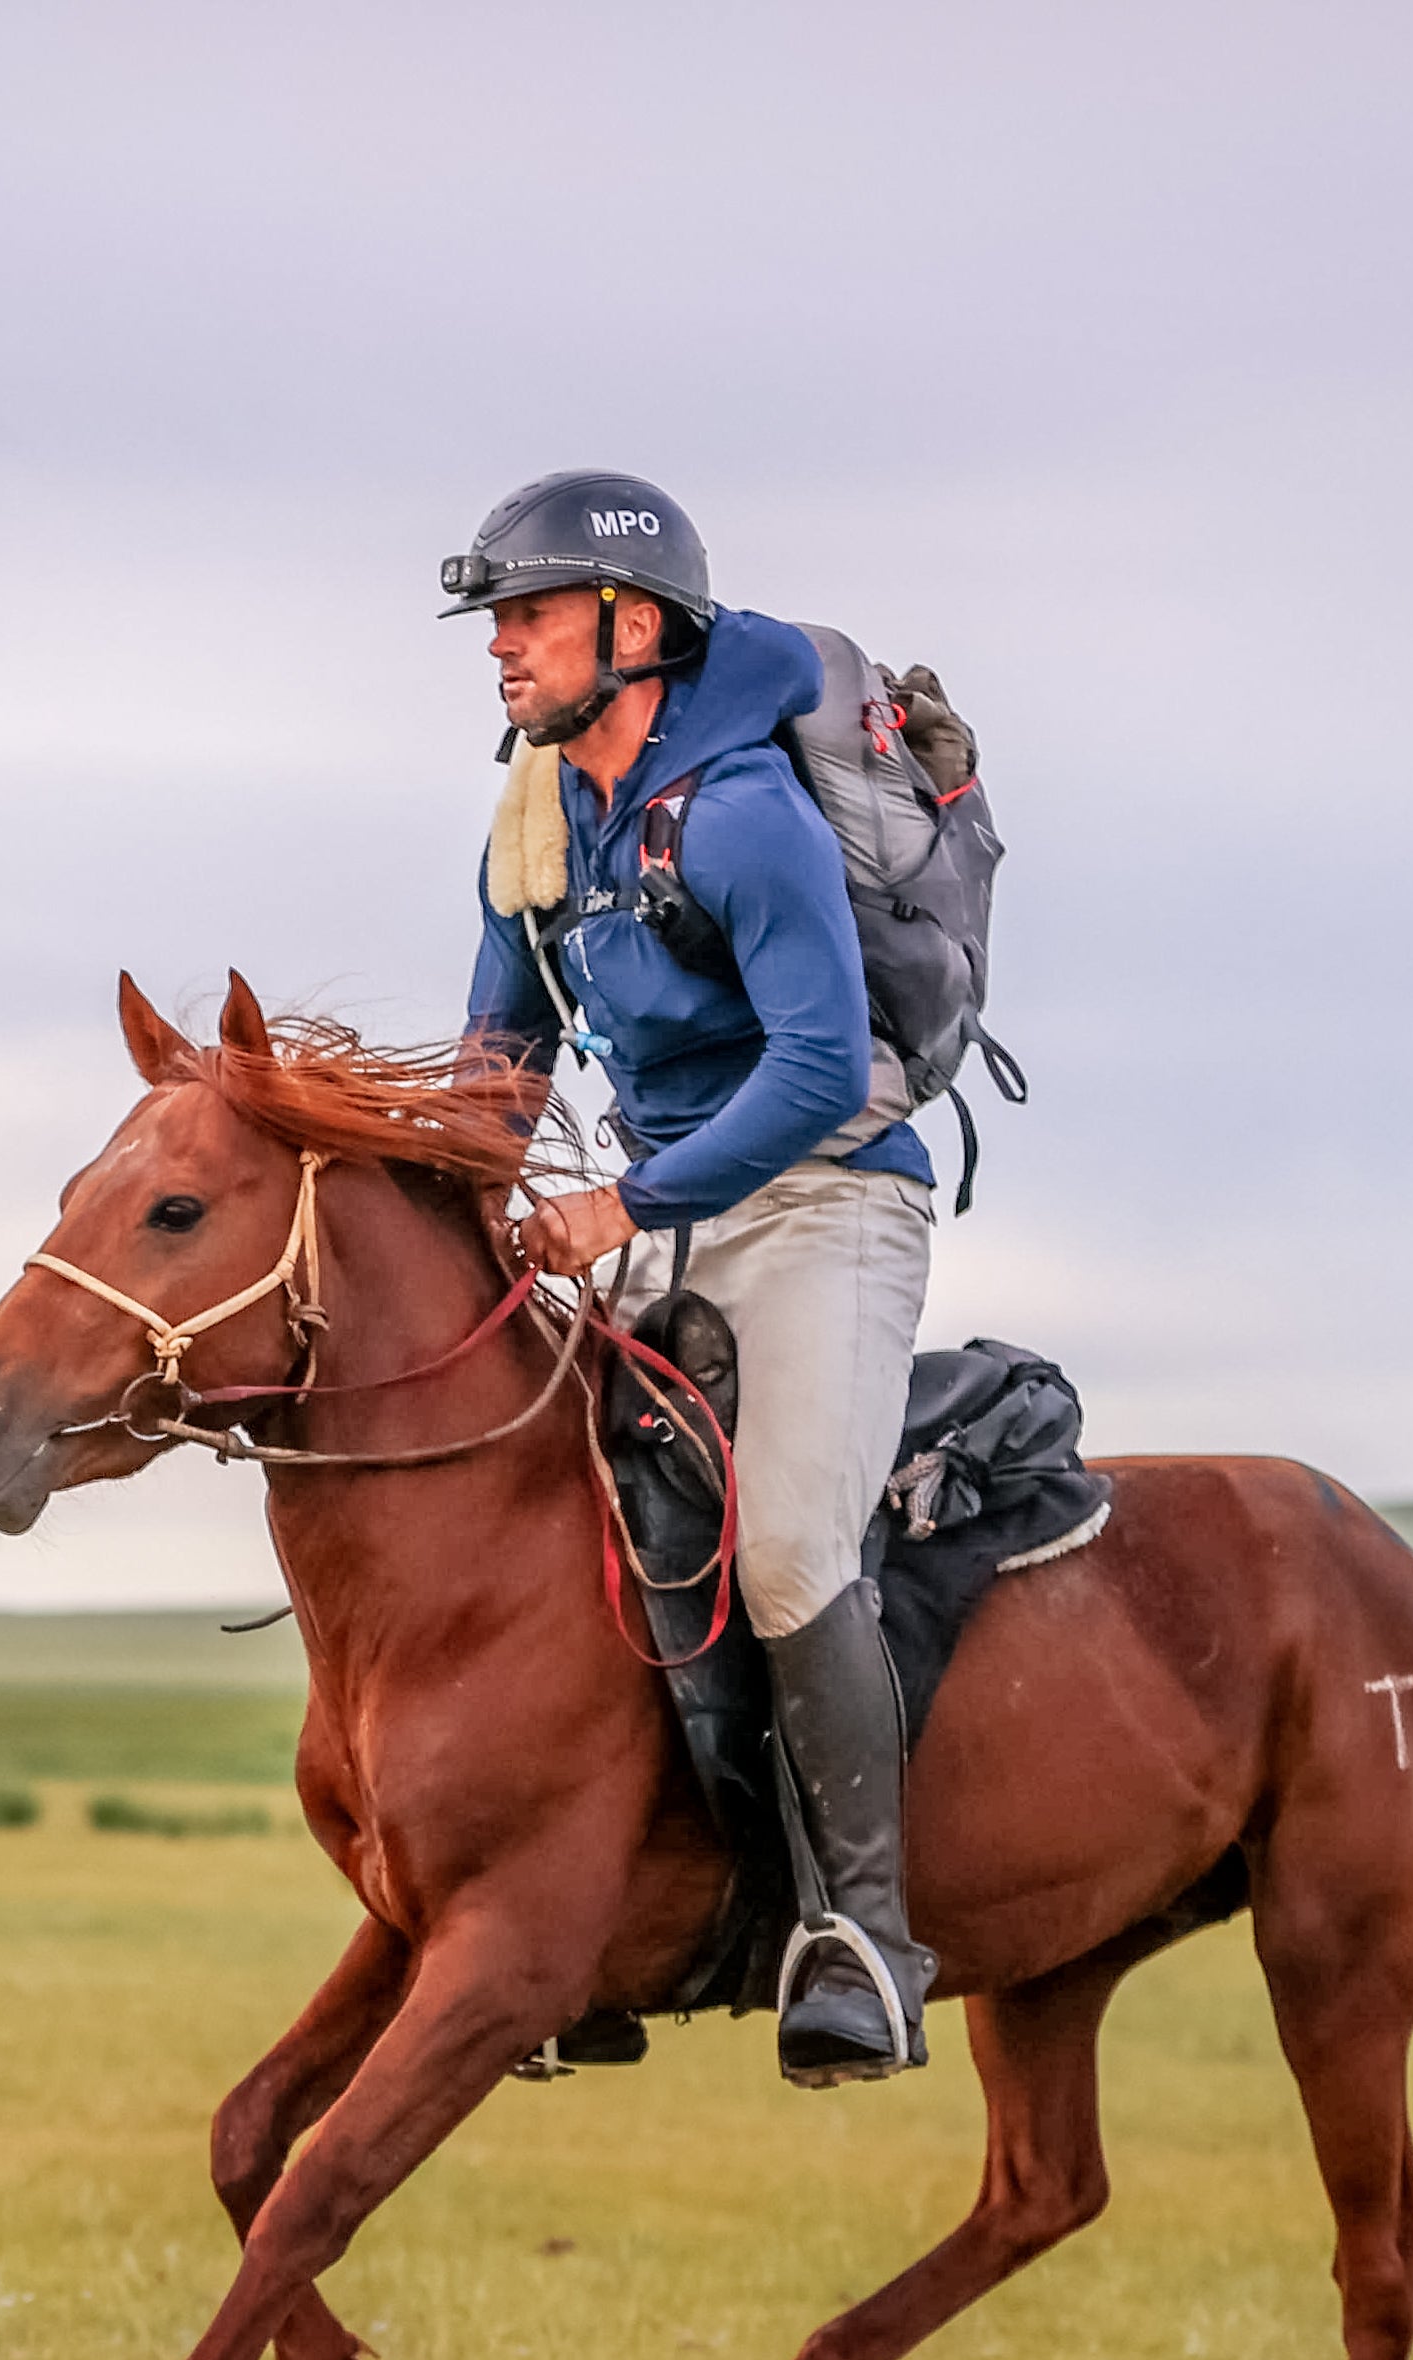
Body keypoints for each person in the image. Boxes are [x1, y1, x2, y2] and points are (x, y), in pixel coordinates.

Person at [447, 468, 936, 2084]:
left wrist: (622, 1205)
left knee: (789, 1549)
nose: (501, 646)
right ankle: (573, 1930)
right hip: (655, 1221)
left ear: (629, 625)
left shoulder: (739, 812)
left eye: (527, 613)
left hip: (824, 1207)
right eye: (495, 620)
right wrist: (439, 1196)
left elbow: (817, 1064)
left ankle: (863, 1935)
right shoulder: (539, 820)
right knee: (565, 1528)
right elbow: (500, 1066)